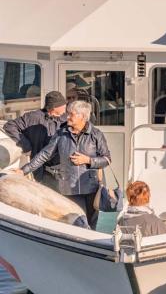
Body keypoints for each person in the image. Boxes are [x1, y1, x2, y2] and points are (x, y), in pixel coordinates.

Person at [14, 100, 111, 229]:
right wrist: (24, 170)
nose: (67, 117)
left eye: (71, 114)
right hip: (69, 189)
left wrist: (88, 160)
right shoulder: (61, 134)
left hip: (91, 189)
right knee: (77, 226)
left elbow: (107, 159)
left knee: (91, 226)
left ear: (82, 116)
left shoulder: (96, 134)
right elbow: (44, 155)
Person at [3, 90, 67, 189]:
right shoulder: (33, 117)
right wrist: (26, 145)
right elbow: (9, 126)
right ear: (52, 108)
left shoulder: (65, 118)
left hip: (62, 172)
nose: (63, 113)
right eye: (60, 111)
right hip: (40, 170)